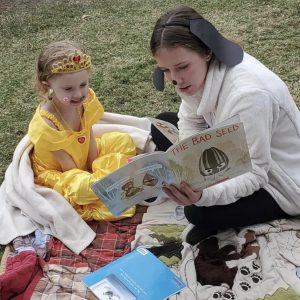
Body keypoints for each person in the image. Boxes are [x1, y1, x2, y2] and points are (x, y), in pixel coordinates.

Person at [149, 6, 300, 244]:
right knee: (161, 122)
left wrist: (203, 193)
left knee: (197, 211)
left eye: (181, 67)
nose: (175, 80)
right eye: (165, 70)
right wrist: (189, 160)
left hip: (280, 182)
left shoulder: (251, 95)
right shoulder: (197, 72)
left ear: (207, 52)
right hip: (231, 146)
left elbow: (256, 174)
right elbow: (189, 116)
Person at [28, 40, 137, 221]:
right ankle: (105, 187)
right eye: (68, 89)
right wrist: (90, 177)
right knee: (84, 187)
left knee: (123, 141)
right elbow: (68, 168)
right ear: (48, 85)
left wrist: (95, 165)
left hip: (84, 153)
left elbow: (88, 134)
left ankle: (106, 182)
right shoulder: (46, 123)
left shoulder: (84, 101)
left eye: (83, 85)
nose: (78, 94)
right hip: (62, 172)